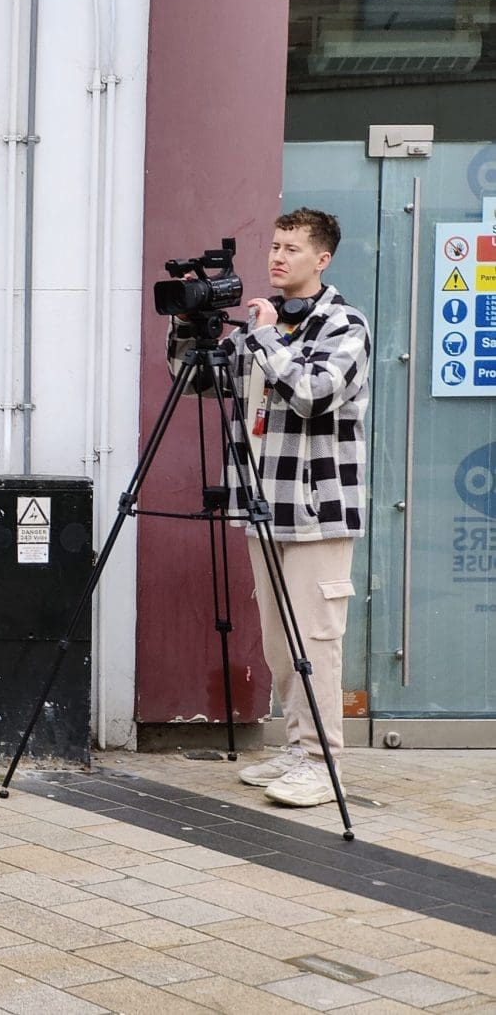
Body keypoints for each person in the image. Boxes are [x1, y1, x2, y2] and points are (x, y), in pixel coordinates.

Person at [170, 209, 369, 809]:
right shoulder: (265, 324)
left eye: (291, 248)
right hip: (262, 506)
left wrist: (261, 337)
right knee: (281, 641)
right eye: (275, 245)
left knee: (317, 637)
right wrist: (189, 329)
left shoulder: (343, 324)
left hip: (318, 510)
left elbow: (312, 393)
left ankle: (321, 760)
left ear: (322, 259)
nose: (277, 257)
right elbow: (198, 381)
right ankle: (295, 745)